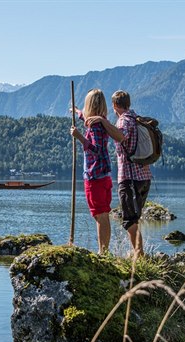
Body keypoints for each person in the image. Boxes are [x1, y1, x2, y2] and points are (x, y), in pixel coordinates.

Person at [86, 90, 152, 258]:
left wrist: (101, 120)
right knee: (133, 219)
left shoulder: (123, 120)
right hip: (144, 176)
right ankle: (137, 254)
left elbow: (120, 136)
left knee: (130, 221)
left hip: (130, 178)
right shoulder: (135, 117)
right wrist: (81, 113)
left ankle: (139, 256)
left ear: (115, 105)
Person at [70, 89, 113, 254]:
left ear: (91, 104)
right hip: (104, 175)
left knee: (100, 215)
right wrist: (77, 112)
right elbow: (87, 119)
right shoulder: (101, 121)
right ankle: (104, 251)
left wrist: (78, 136)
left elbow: (96, 149)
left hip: (95, 175)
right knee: (102, 213)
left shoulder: (95, 125)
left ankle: (104, 252)